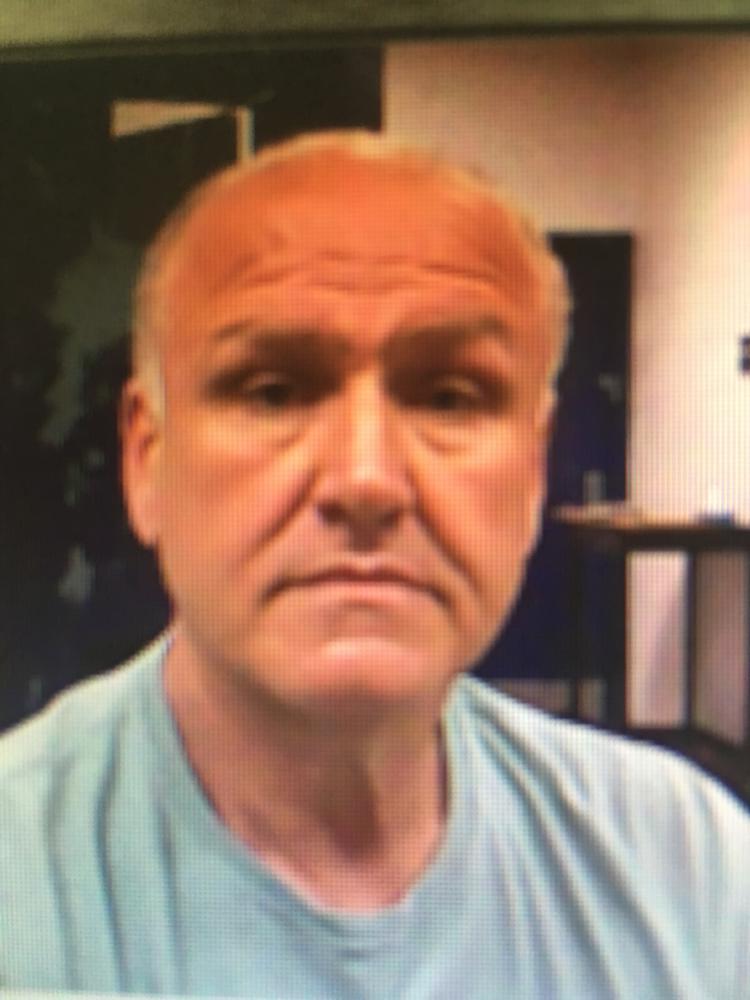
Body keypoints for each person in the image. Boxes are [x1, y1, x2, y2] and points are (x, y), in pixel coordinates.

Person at [0, 130, 747, 999]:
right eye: (273, 392)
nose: (366, 480)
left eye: (449, 397)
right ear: (146, 461)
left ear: (533, 475)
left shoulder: (686, 871)